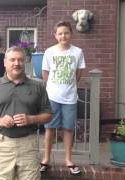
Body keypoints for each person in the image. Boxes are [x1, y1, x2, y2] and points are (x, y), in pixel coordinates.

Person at [0, 46, 52, 180]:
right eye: (12, 60)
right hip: (3, 145)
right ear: (5, 63)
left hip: (29, 144)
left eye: (20, 60)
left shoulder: (38, 86)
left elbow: (48, 115)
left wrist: (30, 119)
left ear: (25, 62)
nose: (16, 63)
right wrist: (0, 120)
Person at [40, 21, 86, 175]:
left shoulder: (78, 52)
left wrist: (68, 86)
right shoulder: (49, 52)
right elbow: (45, 73)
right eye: (59, 33)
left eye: (66, 33)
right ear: (55, 35)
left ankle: (68, 159)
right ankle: (46, 159)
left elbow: (78, 74)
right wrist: (54, 87)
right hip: (52, 97)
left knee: (68, 129)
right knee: (50, 128)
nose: (63, 36)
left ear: (71, 34)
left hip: (70, 98)